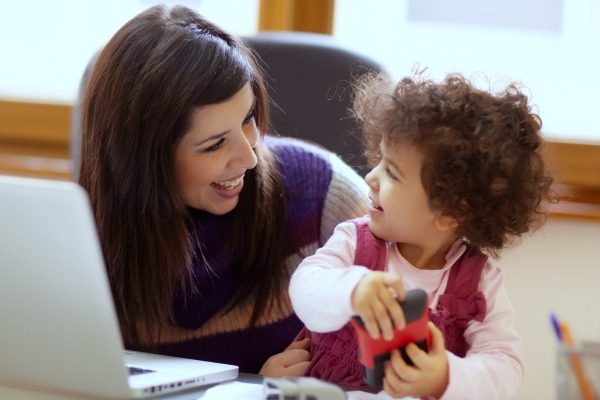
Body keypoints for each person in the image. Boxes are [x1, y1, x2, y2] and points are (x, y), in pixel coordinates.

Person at [78, 5, 369, 376]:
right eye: (214, 145)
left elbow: (418, 333)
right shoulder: (82, 237)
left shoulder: (323, 192)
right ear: (143, 160)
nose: (249, 158)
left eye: (248, 119)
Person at [289, 73, 554, 399]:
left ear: (449, 212)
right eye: (380, 161)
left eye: (392, 172)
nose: (371, 177)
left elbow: (505, 370)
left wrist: (444, 375)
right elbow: (304, 290)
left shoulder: (478, 284)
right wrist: (353, 290)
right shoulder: (355, 242)